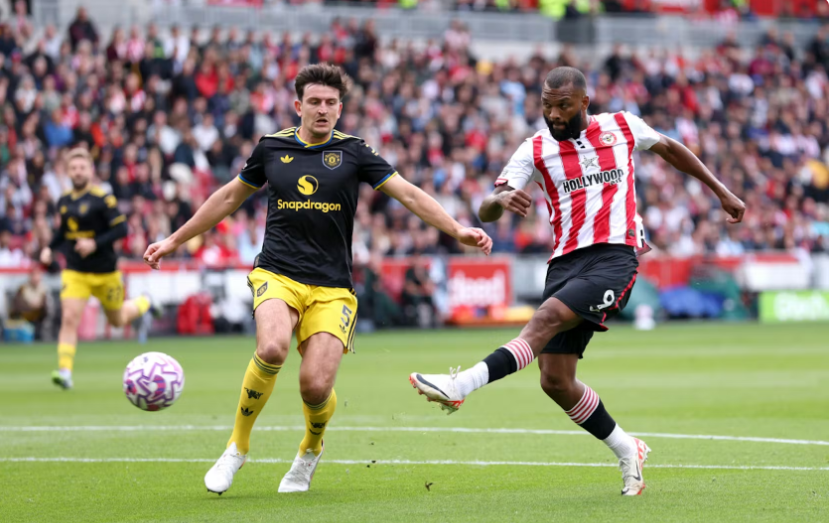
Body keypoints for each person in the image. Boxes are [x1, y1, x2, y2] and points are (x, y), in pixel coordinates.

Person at [142, 63, 492, 496]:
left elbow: (408, 193)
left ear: (340, 108)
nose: (322, 109)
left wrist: (456, 229)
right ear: (298, 106)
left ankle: (310, 449)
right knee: (271, 347)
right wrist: (174, 240)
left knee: (314, 385)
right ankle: (237, 447)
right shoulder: (271, 148)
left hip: (332, 286)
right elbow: (230, 196)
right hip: (277, 272)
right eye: (314, 102)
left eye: (330, 103)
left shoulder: (355, 152)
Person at [409, 67, 745, 496]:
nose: (553, 114)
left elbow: (670, 148)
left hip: (615, 255)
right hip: (564, 264)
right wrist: (501, 199)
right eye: (546, 105)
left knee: (545, 318)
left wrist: (721, 191)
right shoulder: (535, 148)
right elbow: (486, 209)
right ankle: (627, 448)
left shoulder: (622, 125)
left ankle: (461, 385)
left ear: (584, 102)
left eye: (563, 106)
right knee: (555, 380)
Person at [39, 148, 158, 390]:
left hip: (105, 272)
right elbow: (63, 232)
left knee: (117, 320)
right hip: (76, 271)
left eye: (82, 167)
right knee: (69, 318)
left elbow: (122, 229)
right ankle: (65, 372)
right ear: (68, 171)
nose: (78, 172)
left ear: (90, 171)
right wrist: (49, 248)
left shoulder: (103, 199)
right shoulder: (63, 201)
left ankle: (145, 302)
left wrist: (94, 243)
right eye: (73, 168)